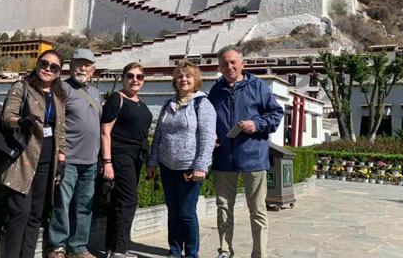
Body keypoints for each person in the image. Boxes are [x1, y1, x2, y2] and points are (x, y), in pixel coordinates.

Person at [208, 46, 284, 258]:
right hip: (224, 159)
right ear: (219, 67)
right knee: (223, 208)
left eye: (233, 62)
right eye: (224, 64)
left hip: (253, 158)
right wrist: (210, 134)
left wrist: (256, 124)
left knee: (258, 211)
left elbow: (276, 114)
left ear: (242, 63)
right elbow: (208, 119)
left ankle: (259, 254)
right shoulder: (215, 91)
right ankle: (224, 250)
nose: (229, 67)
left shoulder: (258, 86)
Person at [1, 49, 67, 258]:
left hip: (47, 164)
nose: (48, 69)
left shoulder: (58, 97)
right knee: (20, 213)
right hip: (23, 160)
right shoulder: (22, 87)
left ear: (58, 73)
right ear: (37, 65)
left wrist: (61, 162)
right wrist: (20, 121)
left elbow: (61, 131)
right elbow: (7, 116)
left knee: (36, 216)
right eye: (44, 64)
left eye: (54, 67)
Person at [146, 60, 216, 258]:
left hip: (190, 168)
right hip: (168, 166)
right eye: (179, 76)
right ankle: (175, 250)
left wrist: (201, 166)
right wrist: (153, 161)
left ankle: (192, 253)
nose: (183, 79)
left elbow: (207, 138)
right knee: (173, 212)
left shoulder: (203, 104)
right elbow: (158, 134)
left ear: (196, 80)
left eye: (188, 76)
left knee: (186, 213)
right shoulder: (168, 104)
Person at [47, 49, 102, 258]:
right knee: (62, 204)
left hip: (90, 161)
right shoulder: (62, 88)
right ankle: (58, 246)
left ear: (93, 70)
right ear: (71, 66)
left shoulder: (96, 93)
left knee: (84, 206)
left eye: (87, 65)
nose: (83, 68)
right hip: (68, 158)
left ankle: (78, 247)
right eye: (79, 63)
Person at [100, 62, 153, 258]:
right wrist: (107, 162)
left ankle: (113, 247)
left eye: (139, 77)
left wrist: (148, 162)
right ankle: (118, 251)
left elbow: (143, 135)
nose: (135, 80)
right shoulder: (117, 99)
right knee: (128, 201)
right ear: (123, 78)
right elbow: (105, 131)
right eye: (130, 76)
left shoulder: (141, 103)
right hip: (120, 154)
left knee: (120, 201)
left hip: (136, 156)